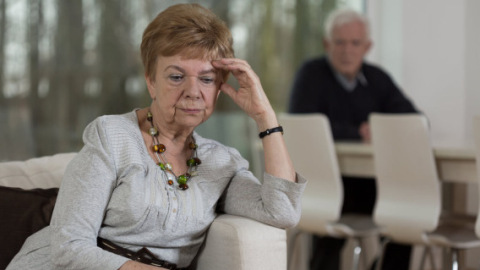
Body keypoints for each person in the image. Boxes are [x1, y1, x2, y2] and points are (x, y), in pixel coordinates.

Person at [7, 4, 306, 270]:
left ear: (219, 86)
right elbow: (69, 247)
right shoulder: (111, 136)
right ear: (151, 81)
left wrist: (265, 117)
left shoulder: (222, 163)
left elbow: (281, 212)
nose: (192, 91)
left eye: (206, 79)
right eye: (176, 77)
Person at [288, 8, 418, 270]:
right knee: (328, 233)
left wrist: (381, 130)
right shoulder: (311, 75)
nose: (347, 50)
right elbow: (300, 127)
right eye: (340, 42)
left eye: (355, 43)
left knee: (407, 211)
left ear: (367, 46)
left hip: (370, 186)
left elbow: (414, 120)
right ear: (327, 44)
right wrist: (357, 132)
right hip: (322, 184)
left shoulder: (377, 78)